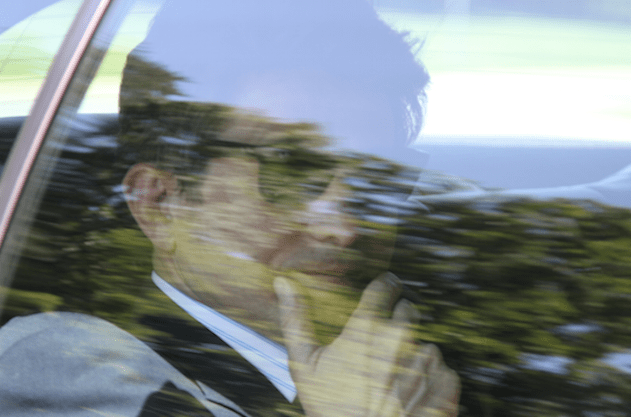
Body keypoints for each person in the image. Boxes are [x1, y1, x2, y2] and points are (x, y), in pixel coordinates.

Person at [0, 0, 461, 415]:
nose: (345, 228)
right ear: (160, 204)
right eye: (291, 168)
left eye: (381, 177)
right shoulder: (65, 370)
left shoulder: (421, 377)